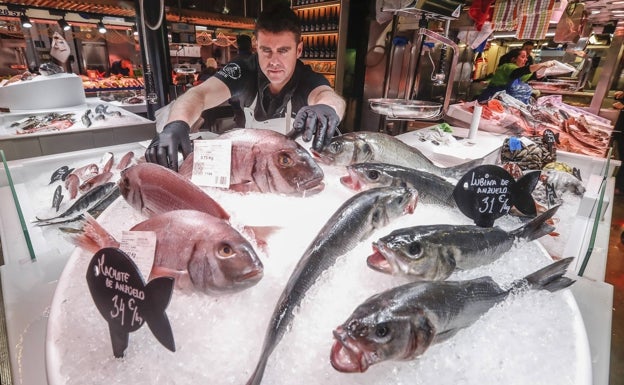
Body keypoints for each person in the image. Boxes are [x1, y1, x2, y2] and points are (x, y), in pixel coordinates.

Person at [145, 3, 345, 171]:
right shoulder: (243, 70)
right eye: (266, 50)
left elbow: (328, 96)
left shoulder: (307, 79)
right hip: (244, 167)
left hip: (290, 171)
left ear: (298, 49)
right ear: (256, 47)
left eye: (283, 51)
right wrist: (176, 124)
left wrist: (328, 108)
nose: (274, 61)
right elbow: (200, 94)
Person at [476, 48, 555, 104]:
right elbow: (518, 72)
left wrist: (545, 68)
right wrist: (542, 64)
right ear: (513, 59)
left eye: (526, 58)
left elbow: (529, 75)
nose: (526, 60)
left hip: (501, 100)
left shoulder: (516, 69)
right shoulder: (508, 66)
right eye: (523, 57)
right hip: (490, 99)